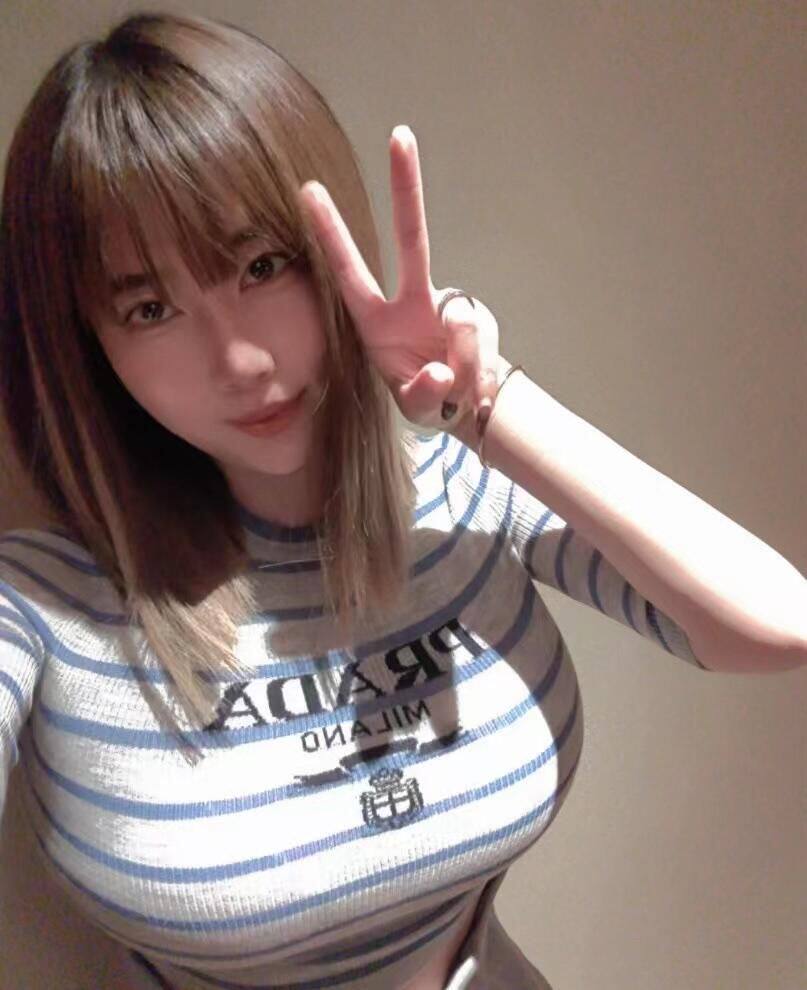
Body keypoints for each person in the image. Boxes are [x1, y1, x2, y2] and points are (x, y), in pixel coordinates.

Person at [0, 11, 804, 990]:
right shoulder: (45, 602)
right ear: (89, 344)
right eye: (150, 308)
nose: (239, 360)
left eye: (261, 266)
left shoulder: (464, 497)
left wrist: (489, 404)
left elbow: (777, 626)